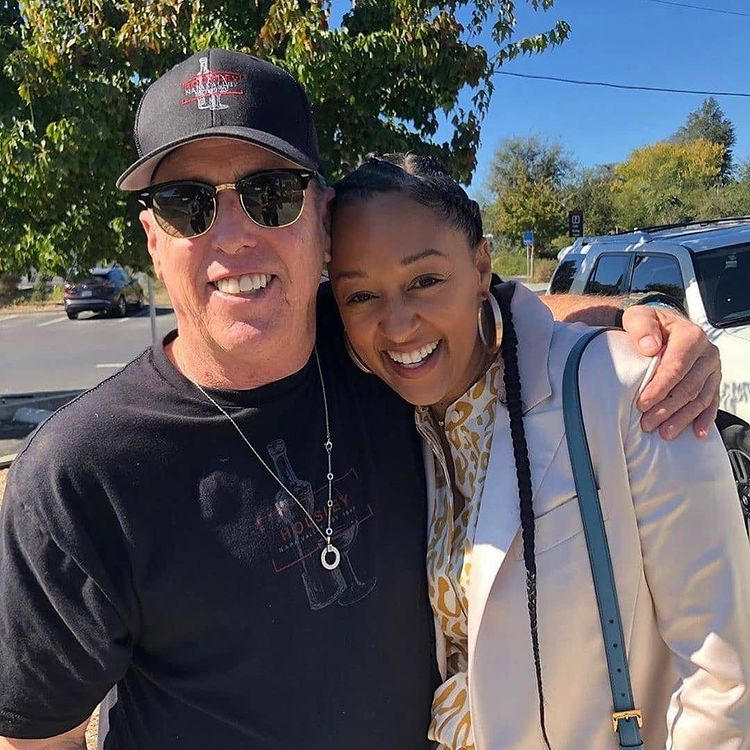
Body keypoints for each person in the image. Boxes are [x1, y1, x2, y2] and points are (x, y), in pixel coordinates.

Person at [0, 50, 723, 750]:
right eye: (186, 204)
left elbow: (479, 308)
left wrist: (638, 326)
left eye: (270, 194)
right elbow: (36, 736)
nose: (234, 235)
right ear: (153, 240)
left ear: (322, 219)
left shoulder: (376, 349)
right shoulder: (81, 473)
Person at [328, 153, 750, 749]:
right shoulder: (388, 419)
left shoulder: (627, 388)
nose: (397, 326)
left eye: (425, 281)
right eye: (361, 296)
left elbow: (724, 674)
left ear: (481, 267)